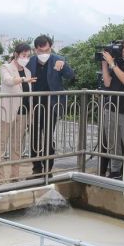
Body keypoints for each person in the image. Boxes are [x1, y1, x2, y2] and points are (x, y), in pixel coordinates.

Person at [27, 34, 74, 177]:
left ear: (50, 48)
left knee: (48, 135)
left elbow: (71, 76)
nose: (43, 54)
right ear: (35, 50)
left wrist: (63, 65)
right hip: (35, 104)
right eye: (40, 51)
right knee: (34, 135)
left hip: (52, 104)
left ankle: (48, 167)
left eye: (46, 50)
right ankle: (36, 167)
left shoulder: (58, 60)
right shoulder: (30, 61)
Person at [0, 43, 35, 182]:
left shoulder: (28, 71)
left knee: (17, 146)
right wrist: (23, 79)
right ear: (16, 54)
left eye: (28, 56)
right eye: (23, 55)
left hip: (23, 113)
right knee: (0, 145)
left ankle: (15, 177)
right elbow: (8, 81)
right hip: (7, 111)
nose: (26, 58)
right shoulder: (6, 67)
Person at [100, 37, 124, 179]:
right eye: (122, 47)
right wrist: (105, 64)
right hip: (111, 107)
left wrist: (112, 63)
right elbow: (107, 82)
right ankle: (115, 170)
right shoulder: (118, 63)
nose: (123, 50)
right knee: (112, 141)